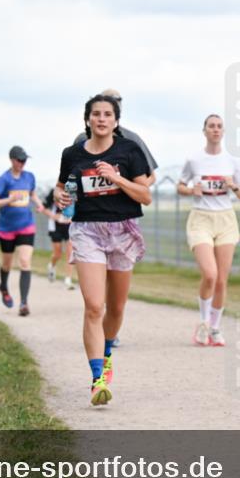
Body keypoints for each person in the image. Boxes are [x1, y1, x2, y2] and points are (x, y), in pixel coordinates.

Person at [55, 93, 151, 406]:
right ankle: (97, 379)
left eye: (107, 114)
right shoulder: (72, 154)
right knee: (94, 306)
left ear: (115, 121)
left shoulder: (129, 151)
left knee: (116, 308)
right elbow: (63, 186)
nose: (101, 119)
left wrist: (116, 177)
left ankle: (106, 351)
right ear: (87, 119)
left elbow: (145, 195)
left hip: (123, 230)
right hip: (86, 232)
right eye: (95, 114)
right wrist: (62, 198)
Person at [177, 114, 240, 346]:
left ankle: (215, 328)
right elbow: (180, 185)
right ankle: (203, 322)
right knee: (210, 274)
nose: (215, 130)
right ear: (204, 130)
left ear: (223, 131)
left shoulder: (231, 161)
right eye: (211, 126)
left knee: (221, 280)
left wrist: (233, 186)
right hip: (201, 219)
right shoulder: (194, 159)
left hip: (226, 219)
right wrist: (191, 191)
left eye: (219, 126)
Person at [0, 146, 43, 316]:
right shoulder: (4, 179)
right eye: (20, 160)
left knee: (25, 262)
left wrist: (38, 203)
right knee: (7, 264)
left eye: (24, 160)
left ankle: (24, 303)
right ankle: (3, 287)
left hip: (26, 225)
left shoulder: (29, 177)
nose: (22, 163)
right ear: (12, 160)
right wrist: (9, 199)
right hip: (6, 229)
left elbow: (32, 194)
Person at [40, 187, 75, 290]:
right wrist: (53, 215)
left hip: (70, 226)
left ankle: (68, 279)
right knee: (57, 254)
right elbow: (44, 208)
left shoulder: (75, 191)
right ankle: (51, 265)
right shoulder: (55, 191)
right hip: (56, 226)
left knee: (70, 252)